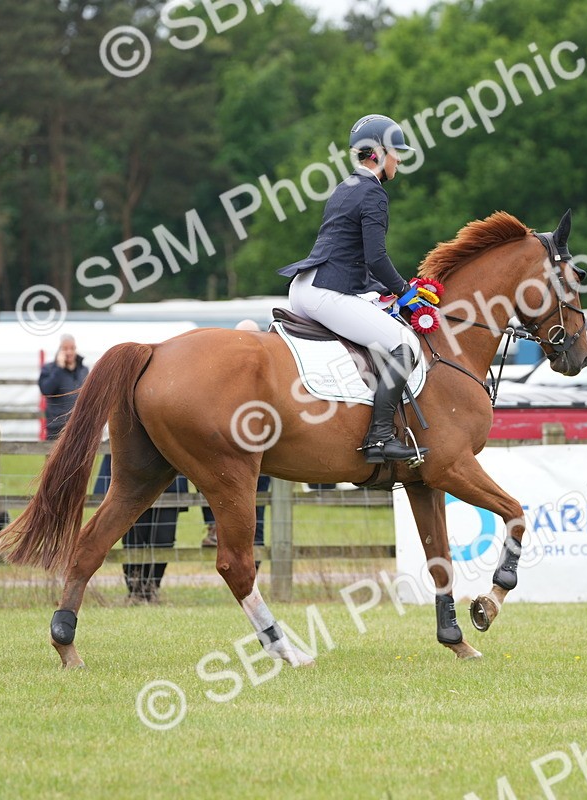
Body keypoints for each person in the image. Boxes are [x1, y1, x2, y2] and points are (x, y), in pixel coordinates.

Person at [277, 113, 427, 464]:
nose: (400, 159)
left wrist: (382, 292)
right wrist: (405, 291)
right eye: (395, 152)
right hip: (326, 293)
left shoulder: (345, 187)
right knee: (405, 343)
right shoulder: (374, 194)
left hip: (305, 288)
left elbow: (352, 257)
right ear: (377, 153)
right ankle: (380, 438)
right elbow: (375, 257)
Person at [203, 320, 271, 556]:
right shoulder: (221, 375)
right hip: (230, 457)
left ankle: (255, 569)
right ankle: (213, 528)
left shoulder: (270, 376)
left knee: (256, 514)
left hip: (260, 459)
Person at [93, 454, 188, 604]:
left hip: (170, 479)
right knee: (134, 537)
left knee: (164, 538)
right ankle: (135, 589)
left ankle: (152, 587)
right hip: (132, 479)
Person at [38, 334, 88, 440]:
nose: (69, 352)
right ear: (59, 350)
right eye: (65, 349)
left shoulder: (83, 370)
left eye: (72, 348)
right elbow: (45, 390)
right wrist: (59, 368)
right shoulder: (49, 369)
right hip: (56, 429)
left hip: (79, 427)